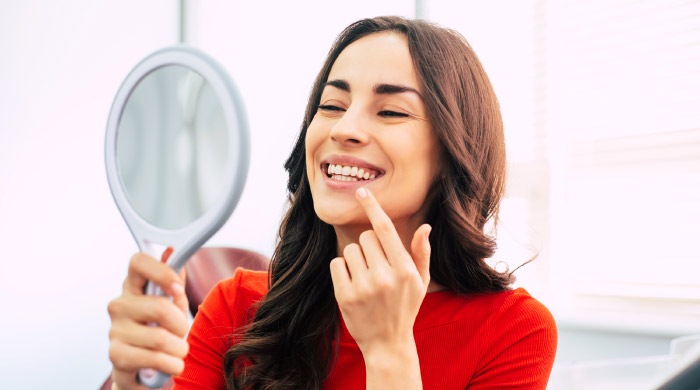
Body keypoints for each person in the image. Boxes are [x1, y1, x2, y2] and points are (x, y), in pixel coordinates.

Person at [107, 15, 558, 390]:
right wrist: (132, 384)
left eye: (391, 111)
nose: (344, 128)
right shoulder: (233, 307)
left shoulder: (514, 332)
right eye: (331, 105)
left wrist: (388, 350)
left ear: (454, 154)